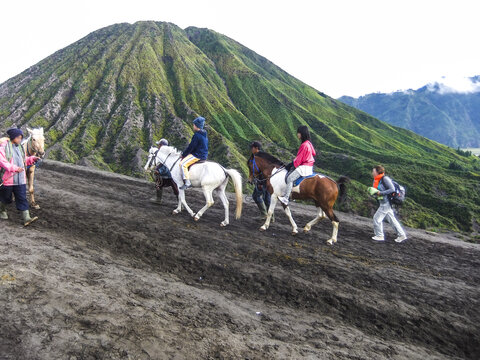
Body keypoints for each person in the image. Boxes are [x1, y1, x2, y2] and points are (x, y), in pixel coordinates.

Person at [0, 128, 40, 226]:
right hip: (8, 179)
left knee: (22, 198)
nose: (20, 139)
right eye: (18, 137)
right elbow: (2, 162)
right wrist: (14, 168)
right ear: (13, 137)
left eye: (21, 137)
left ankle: (26, 217)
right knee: (6, 198)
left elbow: (23, 160)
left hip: (20, 179)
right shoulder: (3, 147)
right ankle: (2, 210)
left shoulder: (20, 148)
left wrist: (32, 159)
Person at [278, 126, 316, 205]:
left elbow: (299, 160)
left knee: (289, 178)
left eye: (298, 133)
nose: (297, 134)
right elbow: (312, 153)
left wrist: (291, 165)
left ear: (302, 134)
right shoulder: (309, 143)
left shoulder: (304, 145)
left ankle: (286, 198)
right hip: (309, 166)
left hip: (304, 167)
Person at [371, 165, 407, 243]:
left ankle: (379, 235)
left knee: (376, 218)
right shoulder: (376, 180)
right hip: (382, 202)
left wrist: (381, 193)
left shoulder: (385, 179)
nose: (372, 173)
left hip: (386, 203)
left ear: (377, 172)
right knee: (392, 220)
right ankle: (402, 235)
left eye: (373, 171)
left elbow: (392, 189)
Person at [180, 117, 208, 190]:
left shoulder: (197, 136)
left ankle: (187, 182)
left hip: (197, 155)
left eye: (193, 125)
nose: (193, 126)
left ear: (196, 125)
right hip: (203, 155)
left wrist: (183, 155)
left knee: (182, 164)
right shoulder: (204, 135)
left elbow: (191, 147)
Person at [249, 141, 271, 219]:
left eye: (252, 148)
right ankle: (270, 217)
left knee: (256, 196)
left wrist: (261, 182)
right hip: (266, 181)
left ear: (256, 148)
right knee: (266, 198)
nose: (251, 149)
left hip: (264, 181)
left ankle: (264, 214)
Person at [150, 138, 169, 204]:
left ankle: (158, 199)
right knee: (158, 184)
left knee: (176, 189)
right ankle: (158, 199)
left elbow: (165, 165)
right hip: (166, 174)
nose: (158, 146)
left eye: (159, 145)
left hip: (168, 175)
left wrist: (159, 171)